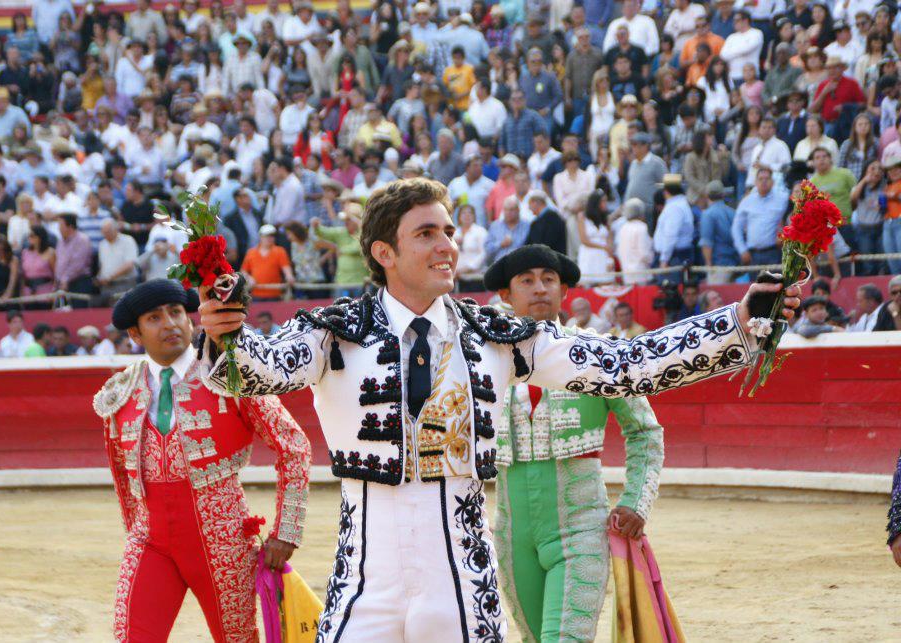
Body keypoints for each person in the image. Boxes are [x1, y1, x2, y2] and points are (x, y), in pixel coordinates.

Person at [196, 178, 801, 643]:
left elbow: (624, 364)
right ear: (383, 251)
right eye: (427, 233)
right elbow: (253, 372)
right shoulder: (333, 331)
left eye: (449, 231)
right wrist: (223, 334)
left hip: (462, 562)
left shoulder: (499, 334)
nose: (447, 246)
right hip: (362, 565)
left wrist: (740, 320)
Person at [94, 278, 310, 642]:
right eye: (155, 318)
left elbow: (293, 445)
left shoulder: (229, 373)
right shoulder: (122, 390)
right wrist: (135, 530)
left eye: (176, 312)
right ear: (135, 332)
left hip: (221, 535)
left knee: (236, 638)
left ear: (191, 319)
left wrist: (286, 531)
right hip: (151, 539)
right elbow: (123, 475)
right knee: (132, 636)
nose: (170, 323)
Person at [484, 245, 664, 643]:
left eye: (549, 280)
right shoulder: (486, 358)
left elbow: (645, 431)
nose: (540, 289)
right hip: (511, 535)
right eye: (527, 281)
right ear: (506, 296)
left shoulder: (596, 353)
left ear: (564, 292)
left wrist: (637, 498)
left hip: (582, 528)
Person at [733, 169, 788, 279]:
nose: (763, 182)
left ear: (772, 182)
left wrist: (784, 235)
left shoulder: (783, 199)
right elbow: (736, 228)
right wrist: (742, 250)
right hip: (753, 255)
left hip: (774, 253)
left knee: (776, 288)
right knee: (756, 290)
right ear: (755, 182)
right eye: (760, 179)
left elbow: (790, 219)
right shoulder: (747, 201)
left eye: (767, 179)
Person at [312, 203, 370, 298]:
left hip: (360, 283)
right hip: (342, 283)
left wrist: (339, 250)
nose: (345, 222)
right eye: (345, 220)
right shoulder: (341, 232)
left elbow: (357, 248)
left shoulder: (365, 234)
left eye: (348, 220)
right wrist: (316, 226)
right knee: (339, 311)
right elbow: (323, 232)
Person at [653, 175, 694, 285]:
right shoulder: (679, 204)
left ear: (666, 191)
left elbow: (670, 235)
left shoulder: (674, 207)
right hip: (675, 255)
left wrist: (664, 259)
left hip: (673, 257)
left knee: (669, 289)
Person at [699, 180, 739, 285]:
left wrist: (709, 266)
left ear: (707, 195)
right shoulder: (732, 212)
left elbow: (707, 243)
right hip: (734, 264)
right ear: (723, 194)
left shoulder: (707, 214)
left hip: (717, 265)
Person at [242, 224, 294, 301]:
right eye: (267, 235)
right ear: (261, 237)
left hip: (275, 295)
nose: (270, 238)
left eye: (272, 236)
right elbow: (243, 271)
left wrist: (289, 276)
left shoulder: (280, 251)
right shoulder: (251, 252)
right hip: (256, 295)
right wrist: (249, 278)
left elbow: (286, 268)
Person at [55, 214, 94, 308]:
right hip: (63, 284)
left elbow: (78, 265)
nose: (59, 228)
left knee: (79, 314)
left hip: (79, 283)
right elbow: (58, 263)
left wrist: (65, 279)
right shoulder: (60, 241)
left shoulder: (82, 240)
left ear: (70, 227)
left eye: (61, 225)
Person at [616, 197, 654, 285]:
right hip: (641, 274)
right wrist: (653, 260)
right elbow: (644, 253)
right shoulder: (641, 227)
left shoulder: (623, 228)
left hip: (626, 273)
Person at [486, 195, 531, 263]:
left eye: (511, 210)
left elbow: (532, 247)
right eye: (506, 209)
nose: (508, 213)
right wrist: (500, 244)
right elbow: (487, 248)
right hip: (499, 265)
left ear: (518, 210)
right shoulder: (495, 226)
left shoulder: (527, 226)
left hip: (521, 265)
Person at [525, 190, 566, 255]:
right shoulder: (538, 221)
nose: (529, 207)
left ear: (536, 203)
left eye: (530, 203)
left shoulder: (553, 219)